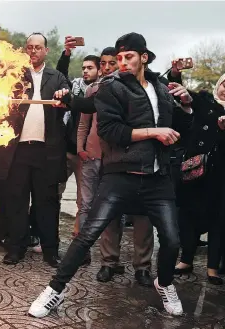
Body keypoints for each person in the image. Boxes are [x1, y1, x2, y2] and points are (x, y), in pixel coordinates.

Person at [28, 32, 193, 317]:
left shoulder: (163, 87)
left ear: (144, 57)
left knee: (172, 240)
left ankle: (164, 283)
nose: (123, 63)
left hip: (157, 178)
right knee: (87, 234)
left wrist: (188, 105)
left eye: (129, 57)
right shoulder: (111, 87)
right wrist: (154, 132)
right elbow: (110, 132)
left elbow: (180, 130)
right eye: (119, 58)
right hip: (120, 175)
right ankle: (54, 290)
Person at [76, 46, 155, 283]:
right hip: (103, 160)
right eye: (105, 63)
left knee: (142, 215)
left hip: (137, 160)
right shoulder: (97, 89)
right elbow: (84, 119)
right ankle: (109, 263)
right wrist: (82, 149)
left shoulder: (145, 90)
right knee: (108, 214)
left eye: (117, 61)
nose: (110, 67)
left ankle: (143, 267)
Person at [0, 32, 69, 267]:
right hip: (18, 150)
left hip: (47, 151)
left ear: (46, 51)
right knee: (16, 200)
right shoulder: (16, 75)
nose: (34, 51)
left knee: (46, 202)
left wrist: (63, 96)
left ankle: (51, 251)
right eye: (30, 47)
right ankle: (15, 248)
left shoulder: (57, 77)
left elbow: (67, 100)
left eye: (38, 47)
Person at [174, 72, 225, 285]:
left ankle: (212, 267)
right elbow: (185, 97)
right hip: (197, 169)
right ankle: (185, 259)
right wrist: (176, 74)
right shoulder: (205, 101)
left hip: (223, 173)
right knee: (188, 215)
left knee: (217, 218)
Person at [55, 36, 100, 238]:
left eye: (90, 68)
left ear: (99, 70)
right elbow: (60, 75)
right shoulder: (75, 86)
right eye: (83, 68)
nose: (85, 71)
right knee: (53, 192)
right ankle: (44, 234)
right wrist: (66, 53)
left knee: (84, 202)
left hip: (86, 155)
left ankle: (79, 241)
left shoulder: (103, 91)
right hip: (66, 150)